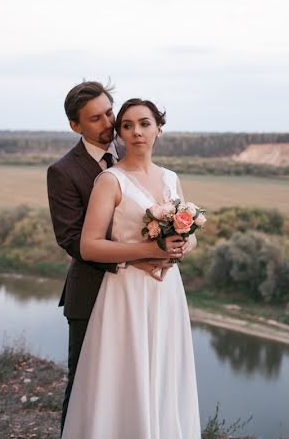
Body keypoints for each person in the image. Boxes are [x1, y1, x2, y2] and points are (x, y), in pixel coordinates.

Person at [46, 82, 183, 432]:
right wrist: (139, 256)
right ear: (76, 126)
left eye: (110, 112)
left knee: (141, 381)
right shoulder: (64, 171)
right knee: (86, 390)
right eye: (96, 118)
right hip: (92, 290)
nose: (108, 122)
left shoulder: (135, 152)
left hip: (147, 292)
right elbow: (72, 240)